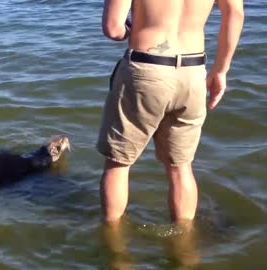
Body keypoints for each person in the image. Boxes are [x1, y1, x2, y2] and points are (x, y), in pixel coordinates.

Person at [97, 0, 244, 224]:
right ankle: (183, 246)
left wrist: (130, 28)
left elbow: (113, 28)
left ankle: (114, 245)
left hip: (146, 68)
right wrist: (221, 70)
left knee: (118, 163)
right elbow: (235, 13)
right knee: (180, 166)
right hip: (193, 72)